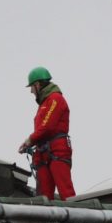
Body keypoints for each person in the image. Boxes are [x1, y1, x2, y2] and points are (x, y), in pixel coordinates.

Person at [20, 67, 74, 200]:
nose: (32, 91)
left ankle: (78, 218)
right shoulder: (44, 103)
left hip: (57, 151)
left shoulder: (55, 99)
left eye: (32, 87)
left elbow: (47, 126)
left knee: (66, 193)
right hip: (43, 153)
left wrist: (29, 140)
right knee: (43, 198)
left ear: (38, 85)